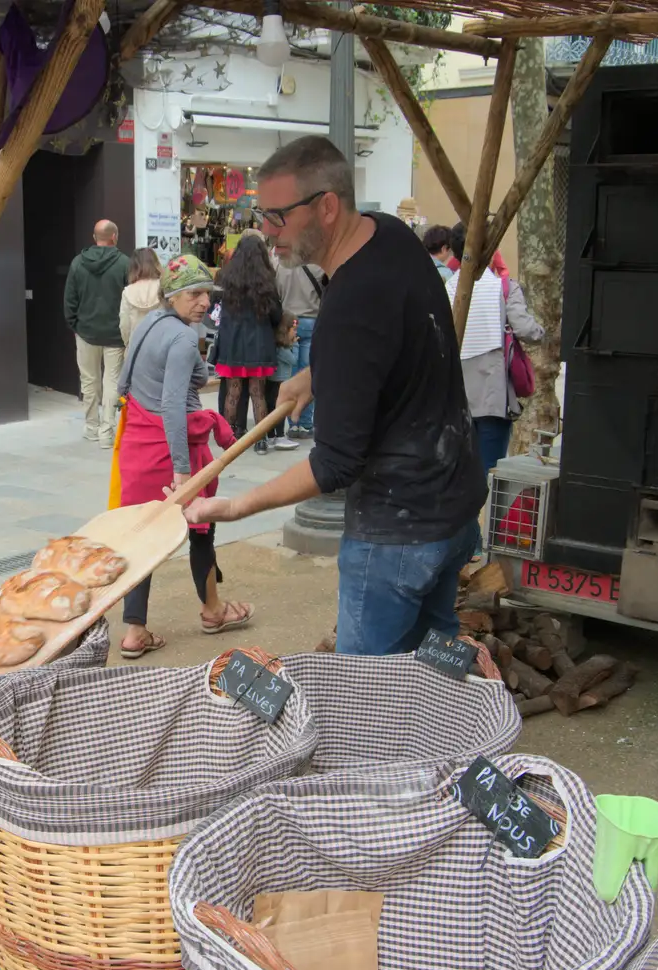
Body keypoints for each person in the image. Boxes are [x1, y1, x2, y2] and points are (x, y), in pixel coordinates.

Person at [183, 136, 485, 657]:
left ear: (326, 206)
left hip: (396, 535)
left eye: (277, 216)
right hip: (453, 506)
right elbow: (392, 344)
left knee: (363, 698)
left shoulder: (348, 306)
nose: (267, 231)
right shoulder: (390, 234)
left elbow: (336, 463)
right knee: (437, 677)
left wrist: (238, 505)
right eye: (262, 213)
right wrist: (318, 374)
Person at [113, 255, 252, 658]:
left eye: (207, 294)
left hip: (136, 445)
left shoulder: (146, 325)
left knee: (142, 538)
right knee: (200, 529)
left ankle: (134, 631)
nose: (204, 303)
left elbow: (124, 383)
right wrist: (179, 470)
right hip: (171, 450)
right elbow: (174, 405)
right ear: (172, 295)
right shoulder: (183, 338)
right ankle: (213, 610)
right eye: (194, 294)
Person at [448, 249, 546, 479]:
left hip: (455, 399)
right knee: (491, 471)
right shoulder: (503, 288)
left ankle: (466, 515)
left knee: (460, 473)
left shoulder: (446, 287)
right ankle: (485, 515)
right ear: (490, 252)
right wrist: (545, 333)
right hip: (492, 394)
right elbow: (524, 328)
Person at [208, 234, 282, 454]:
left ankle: (228, 437)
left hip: (233, 343)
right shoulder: (267, 282)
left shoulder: (227, 280)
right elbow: (276, 315)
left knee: (233, 391)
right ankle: (260, 440)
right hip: (259, 343)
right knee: (258, 393)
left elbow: (216, 311)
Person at [64, 219, 131, 446]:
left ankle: (91, 427)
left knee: (89, 381)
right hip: (115, 334)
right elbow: (129, 301)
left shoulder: (77, 263)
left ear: (95, 238)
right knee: (112, 381)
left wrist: (75, 325)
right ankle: (107, 432)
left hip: (85, 332)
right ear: (115, 237)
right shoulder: (125, 264)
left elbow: (69, 300)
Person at [271, 246, 324, 442]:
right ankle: (305, 423)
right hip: (312, 321)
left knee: (291, 373)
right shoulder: (318, 267)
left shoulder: (282, 267)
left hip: (288, 322)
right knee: (309, 373)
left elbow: (276, 294)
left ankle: (291, 423)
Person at [117, 248, 162, 350]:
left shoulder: (128, 292)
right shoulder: (164, 288)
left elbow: (124, 325)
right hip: (161, 346)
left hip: (136, 348)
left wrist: (128, 344)